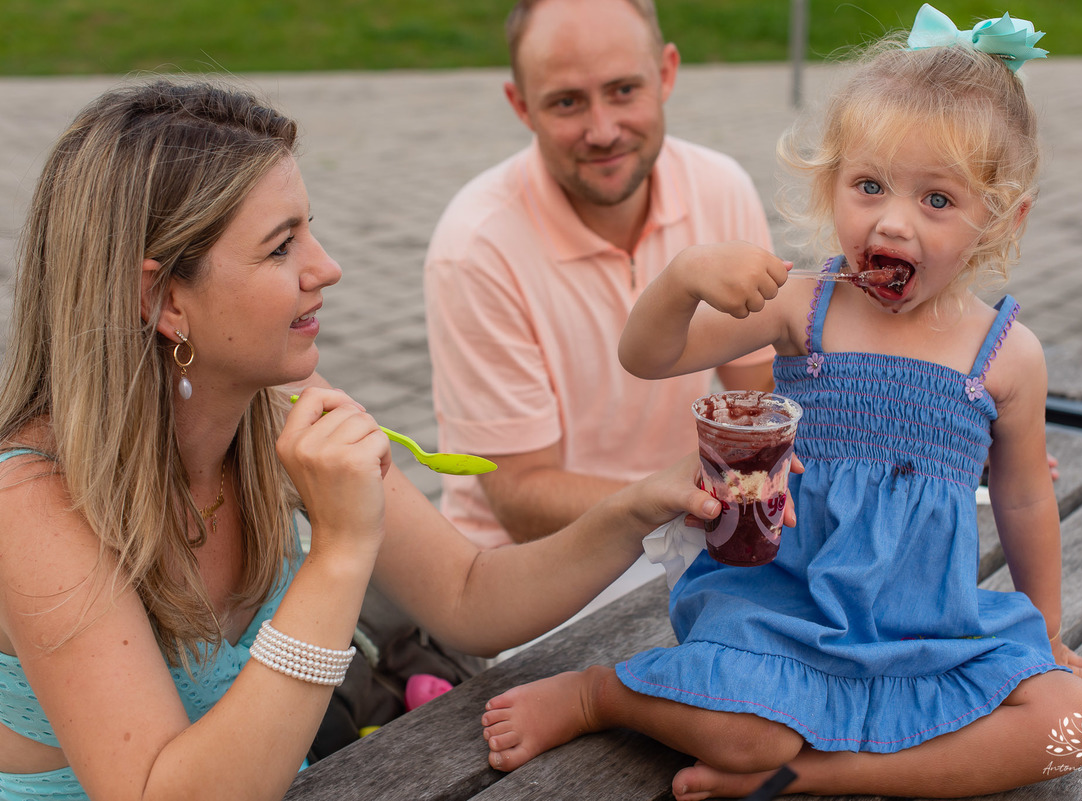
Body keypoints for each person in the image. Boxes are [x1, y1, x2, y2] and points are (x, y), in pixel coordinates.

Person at [0, 78, 732, 801]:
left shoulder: (281, 409)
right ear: (161, 298)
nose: (328, 267)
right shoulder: (32, 499)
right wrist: (342, 548)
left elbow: (467, 594)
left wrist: (640, 506)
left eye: (309, 229)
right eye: (282, 247)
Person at [480, 7, 1082, 798]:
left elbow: (1024, 496)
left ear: (1001, 219)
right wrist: (682, 279)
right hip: (783, 610)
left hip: (927, 623)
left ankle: (818, 773)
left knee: (1074, 725)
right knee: (750, 729)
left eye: (938, 201)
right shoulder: (803, 305)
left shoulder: (1008, 356)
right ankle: (601, 692)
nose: (892, 219)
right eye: (870, 185)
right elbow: (648, 356)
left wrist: (1048, 634)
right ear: (832, 184)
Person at [423, 0, 776, 549]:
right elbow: (520, 499)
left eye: (623, 90)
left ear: (666, 73)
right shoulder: (476, 246)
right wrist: (703, 494)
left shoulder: (721, 188)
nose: (603, 130)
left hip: (685, 530)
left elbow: (760, 395)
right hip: (536, 569)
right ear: (521, 106)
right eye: (567, 102)